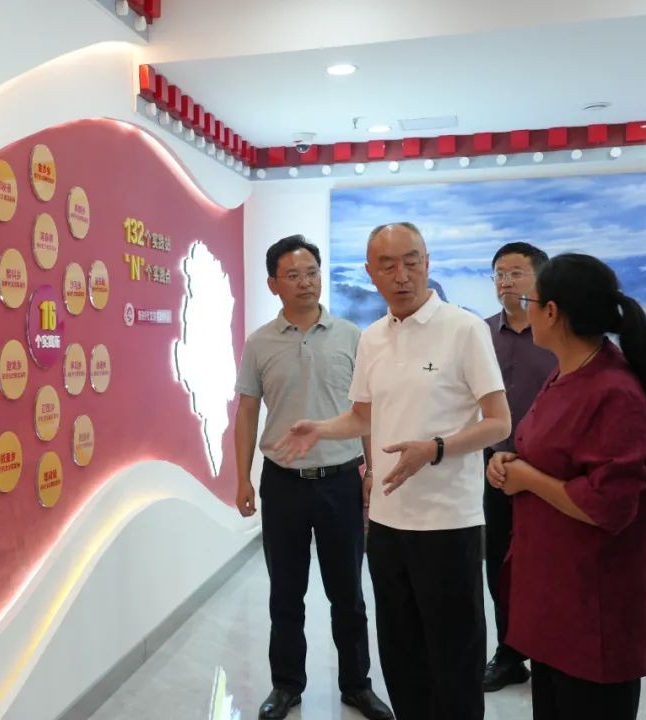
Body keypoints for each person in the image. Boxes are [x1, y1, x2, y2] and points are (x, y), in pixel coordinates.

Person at [277, 222, 511, 720]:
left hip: (448, 522)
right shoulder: (373, 338)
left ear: (428, 263)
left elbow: (498, 422)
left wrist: (436, 448)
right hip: (386, 524)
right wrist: (320, 428)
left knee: (455, 656)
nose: (401, 275)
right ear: (370, 272)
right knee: (402, 655)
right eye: (388, 265)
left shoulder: (464, 329)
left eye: (411, 261)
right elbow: (363, 416)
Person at [487, 253, 646, 720]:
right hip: (554, 596)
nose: (524, 309)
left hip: (595, 605)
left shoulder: (613, 390)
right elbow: (550, 451)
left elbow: (608, 505)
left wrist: (527, 478)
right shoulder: (567, 371)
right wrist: (509, 461)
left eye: (530, 301)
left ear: (552, 312)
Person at [234, 235, 393, 720]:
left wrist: (372, 471)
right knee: (286, 593)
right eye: (293, 275)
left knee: (348, 594)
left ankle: (357, 685)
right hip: (282, 483)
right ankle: (286, 686)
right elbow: (246, 413)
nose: (306, 283)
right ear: (273, 284)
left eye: (312, 273)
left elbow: (367, 413)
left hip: (340, 481)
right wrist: (242, 478)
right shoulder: (259, 343)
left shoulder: (351, 336)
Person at [481, 242, 556, 692]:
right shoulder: (480, 334)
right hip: (495, 466)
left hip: (549, 470)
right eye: (499, 274)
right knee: (499, 564)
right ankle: (509, 653)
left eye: (515, 273)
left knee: (548, 563)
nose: (506, 282)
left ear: (539, 279)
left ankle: (549, 651)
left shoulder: (557, 333)